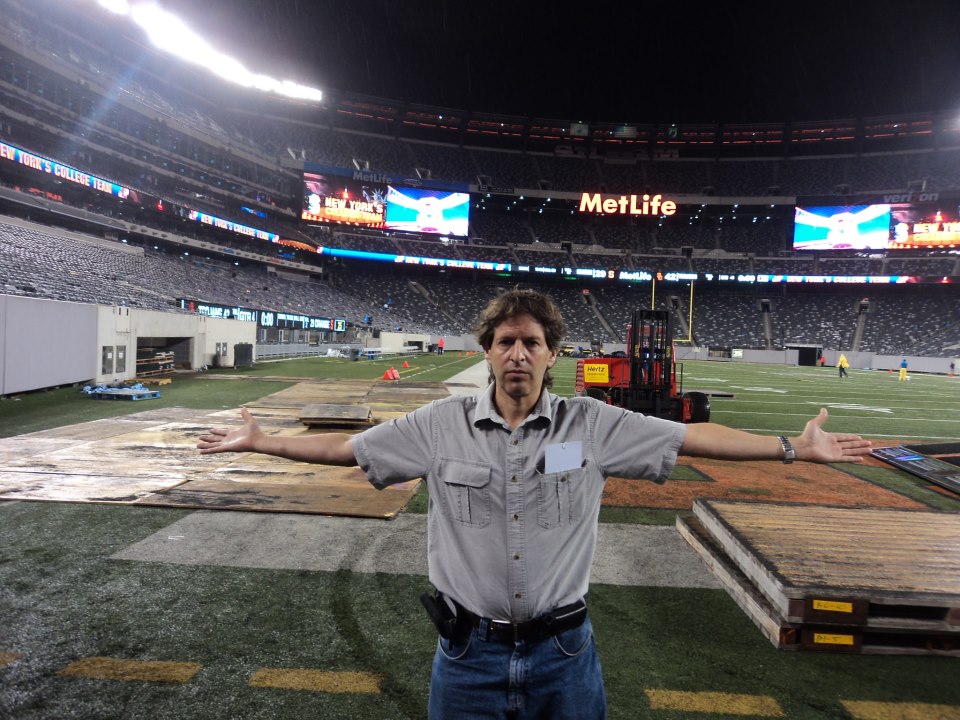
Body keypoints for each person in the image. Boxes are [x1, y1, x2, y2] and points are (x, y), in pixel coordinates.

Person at [197, 289, 872, 719]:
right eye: (504, 342)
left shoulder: (594, 425)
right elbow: (351, 452)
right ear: (487, 354)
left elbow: (695, 436)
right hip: (467, 658)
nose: (517, 353)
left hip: (564, 657)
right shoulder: (438, 425)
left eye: (532, 342)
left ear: (552, 356)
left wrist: (795, 449)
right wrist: (265, 441)